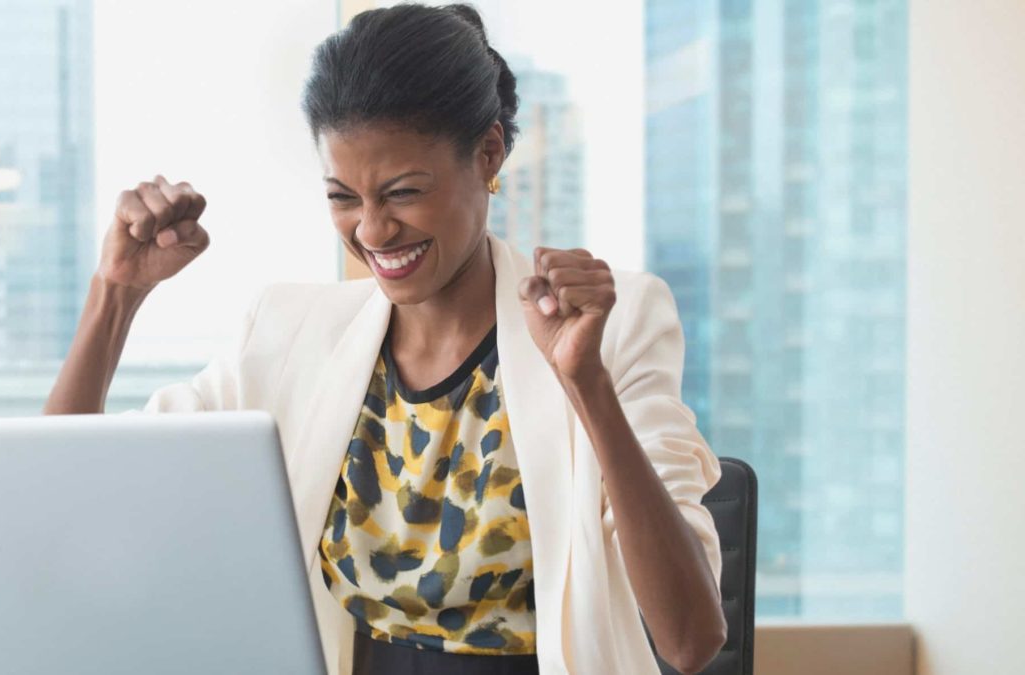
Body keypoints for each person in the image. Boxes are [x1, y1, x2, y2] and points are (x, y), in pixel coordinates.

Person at [45, 3, 726, 674]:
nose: (372, 230)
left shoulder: (615, 323)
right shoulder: (291, 334)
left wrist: (586, 385)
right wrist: (116, 294)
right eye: (343, 197)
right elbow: (63, 498)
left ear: (488, 152)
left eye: (402, 192)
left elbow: (690, 639)